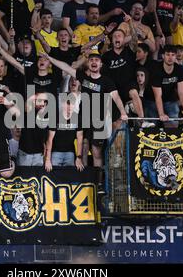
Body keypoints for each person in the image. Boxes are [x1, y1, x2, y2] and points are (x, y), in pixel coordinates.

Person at [44, 52, 128, 192]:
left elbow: (116, 97)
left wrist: (123, 112)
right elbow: (65, 66)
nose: (94, 62)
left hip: (99, 120)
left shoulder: (106, 81)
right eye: (91, 60)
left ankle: (99, 183)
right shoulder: (82, 77)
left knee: (97, 153)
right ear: (88, 64)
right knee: (82, 148)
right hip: (84, 118)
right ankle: (83, 181)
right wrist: (50, 58)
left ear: (101, 64)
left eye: (97, 60)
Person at [150, 45, 183, 127]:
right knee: (151, 127)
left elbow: (182, 93)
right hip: (151, 100)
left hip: (170, 100)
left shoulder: (180, 70)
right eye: (167, 54)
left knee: (173, 127)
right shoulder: (156, 70)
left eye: (173, 55)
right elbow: (158, 95)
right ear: (163, 56)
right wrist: (161, 114)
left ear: (175, 57)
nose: (170, 57)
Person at [44, 99, 84, 171]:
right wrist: (47, 159)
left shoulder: (78, 118)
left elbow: (80, 138)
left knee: (69, 178)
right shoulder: (55, 118)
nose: (69, 109)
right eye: (67, 105)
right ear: (62, 105)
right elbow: (49, 140)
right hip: (56, 152)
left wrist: (79, 157)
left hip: (70, 153)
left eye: (71, 106)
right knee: (54, 177)